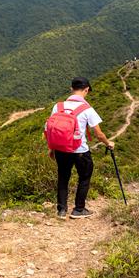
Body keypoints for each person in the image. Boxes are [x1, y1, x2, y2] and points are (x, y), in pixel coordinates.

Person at [48, 77, 115, 219]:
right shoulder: (87, 109)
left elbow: (51, 130)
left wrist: (52, 148)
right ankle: (78, 209)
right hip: (80, 151)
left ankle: (61, 211)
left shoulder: (58, 106)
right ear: (86, 90)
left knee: (63, 178)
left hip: (60, 149)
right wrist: (108, 143)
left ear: (71, 89)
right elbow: (98, 134)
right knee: (84, 177)